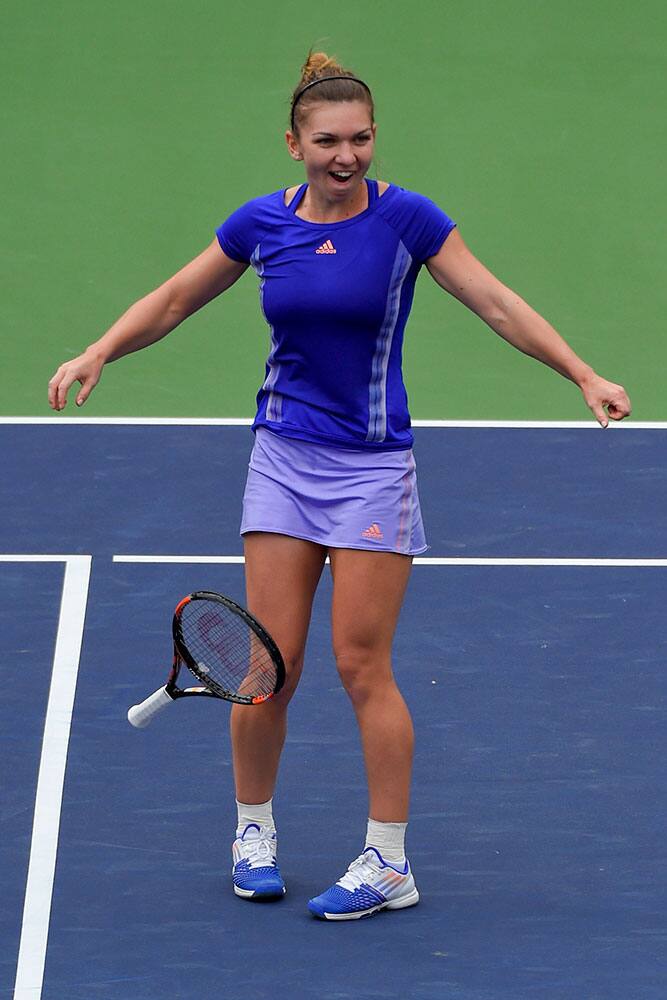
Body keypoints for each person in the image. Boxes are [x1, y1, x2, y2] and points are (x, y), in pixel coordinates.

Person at [48, 51, 631, 921]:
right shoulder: (259, 225)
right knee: (263, 669)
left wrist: (580, 374)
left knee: (362, 666)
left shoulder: (407, 221)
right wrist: (98, 350)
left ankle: (389, 860)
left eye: (360, 138)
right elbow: (174, 299)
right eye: (327, 141)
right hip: (283, 459)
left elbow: (495, 302)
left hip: (370, 469)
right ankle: (253, 832)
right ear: (293, 143)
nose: (346, 155)